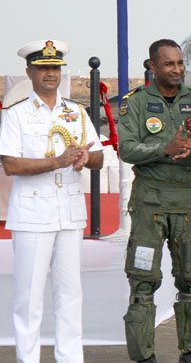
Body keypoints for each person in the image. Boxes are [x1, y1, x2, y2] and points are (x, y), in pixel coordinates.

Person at [118, 39, 191, 363]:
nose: (177, 69)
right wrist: (164, 149)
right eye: (169, 64)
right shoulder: (135, 103)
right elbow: (127, 149)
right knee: (143, 281)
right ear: (152, 67)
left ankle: (190, 353)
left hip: (188, 199)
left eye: (180, 63)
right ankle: (143, 356)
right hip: (150, 200)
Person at [0, 39, 104, 363]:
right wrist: (57, 161)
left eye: (55, 67)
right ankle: (27, 359)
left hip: (69, 213)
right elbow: (11, 164)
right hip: (32, 215)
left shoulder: (76, 111)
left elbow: (99, 157)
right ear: (29, 72)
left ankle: (70, 358)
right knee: (29, 300)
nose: (50, 73)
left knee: (70, 295)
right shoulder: (16, 115)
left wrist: (85, 157)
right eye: (43, 67)